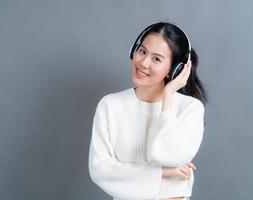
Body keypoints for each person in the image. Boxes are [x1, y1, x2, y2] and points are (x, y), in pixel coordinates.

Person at [88, 22, 207, 200]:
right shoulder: (110, 105)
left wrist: (168, 96)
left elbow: (170, 154)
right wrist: (162, 173)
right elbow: (100, 169)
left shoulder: (189, 108)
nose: (143, 63)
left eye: (157, 59)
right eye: (142, 51)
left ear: (174, 70)